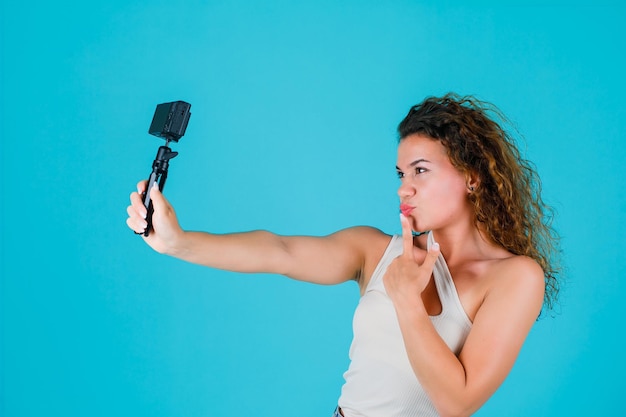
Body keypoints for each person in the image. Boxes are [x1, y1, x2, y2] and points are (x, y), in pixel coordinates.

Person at [126, 93, 561, 417]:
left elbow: (458, 401)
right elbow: (280, 250)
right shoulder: (376, 249)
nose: (403, 187)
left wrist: (408, 301)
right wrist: (178, 241)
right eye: (400, 173)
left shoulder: (515, 278)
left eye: (421, 171)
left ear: (472, 177)